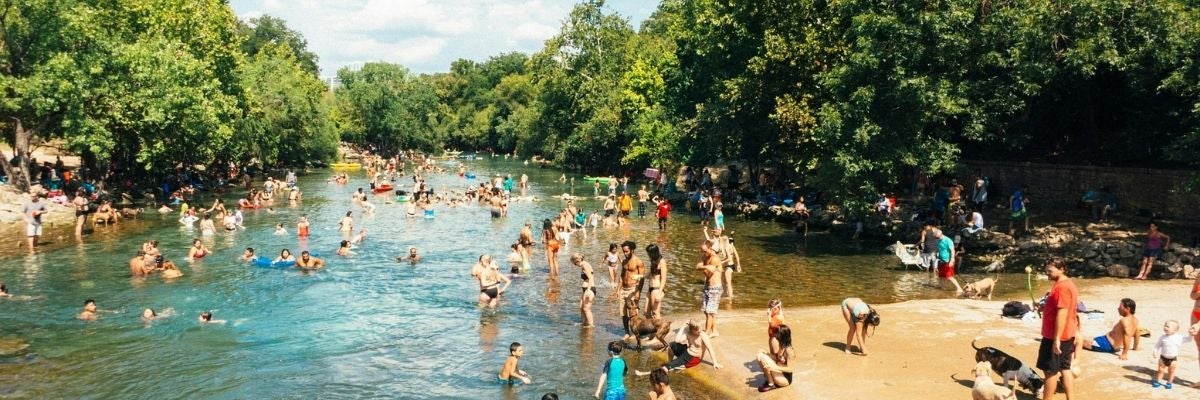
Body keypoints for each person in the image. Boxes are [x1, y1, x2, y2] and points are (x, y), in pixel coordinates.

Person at [1038, 258, 1078, 400]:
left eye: (1050, 270)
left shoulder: (1062, 287)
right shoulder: (1065, 284)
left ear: (1062, 269)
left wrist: (1056, 339)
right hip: (1067, 334)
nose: (1047, 273)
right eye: (1046, 270)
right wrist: (1044, 307)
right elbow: (1060, 308)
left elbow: (1063, 313)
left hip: (1056, 336)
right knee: (1065, 368)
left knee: (1050, 371)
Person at [637, 321, 723, 374]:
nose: (700, 331)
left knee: (667, 367)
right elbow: (678, 340)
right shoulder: (688, 332)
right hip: (687, 352)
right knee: (671, 345)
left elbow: (710, 349)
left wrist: (715, 363)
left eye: (700, 328)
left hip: (693, 358)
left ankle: (646, 373)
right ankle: (671, 363)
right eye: (698, 330)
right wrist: (682, 327)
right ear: (692, 330)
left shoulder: (703, 335)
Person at [1152, 320, 1198, 389]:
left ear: (1175, 330)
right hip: (1163, 358)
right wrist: (1155, 351)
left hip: (1173, 359)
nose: (1165, 328)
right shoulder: (1162, 337)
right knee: (1160, 370)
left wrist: (1191, 335)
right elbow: (1157, 345)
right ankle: (1158, 381)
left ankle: (1169, 383)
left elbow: (1188, 340)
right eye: (1165, 326)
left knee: (1171, 372)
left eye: (1168, 327)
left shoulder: (1178, 338)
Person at [695, 240, 723, 337]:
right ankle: (714, 330)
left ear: (711, 249)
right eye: (702, 251)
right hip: (707, 287)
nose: (703, 253)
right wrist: (705, 267)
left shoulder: (715, 259)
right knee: (706, 310)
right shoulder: (705, 257)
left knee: (709, 312)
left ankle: (706, 333)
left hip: (715, 288)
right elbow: (697, 267)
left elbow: (708, 273)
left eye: (705, 251)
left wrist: (702, 267)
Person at [756, 324, 795, 392]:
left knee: (764, 358)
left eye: (776, 335)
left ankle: (771, 384)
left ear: (782, 336)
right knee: (760, 355)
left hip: (785, 379)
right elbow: (775, 359)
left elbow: (790, 369)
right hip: (778, 373)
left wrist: (774, 368)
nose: (775, 336)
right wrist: (765, 352)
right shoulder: (781, 346)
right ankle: (770, 380)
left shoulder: (789, 351)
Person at [619, 241, 646, 340]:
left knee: (633, 314)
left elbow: (642, 278)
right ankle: (627, 332)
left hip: (633, 289)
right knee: (623, 313)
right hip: (624, 289)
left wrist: (638, 291)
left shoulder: (638, 261)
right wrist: (618, 290)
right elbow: (622, 276)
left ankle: (635, 333)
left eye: (626, 251)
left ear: (632, 250)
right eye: (623, 252)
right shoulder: (624, 261)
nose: (625, 253)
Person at [933, 228, 963, 295]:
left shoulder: (948, 240)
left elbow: (952, 250)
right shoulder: (938, 241)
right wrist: (935, 254)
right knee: (941, 276)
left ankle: (959, 288)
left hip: (948, 261)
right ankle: (942, 288)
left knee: (949, 276)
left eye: (936, 237)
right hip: (941, 261)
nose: (936, 239)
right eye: (935, 237)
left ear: (940, 235)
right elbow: (938, 249)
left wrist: (952, 259)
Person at [573, 254, 596, 328]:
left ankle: (591, 325)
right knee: (581, 307)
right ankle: (584, 322)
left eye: (574, 263)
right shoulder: (583, 265)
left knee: (586, 308)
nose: (575, 265)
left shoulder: (584, 265)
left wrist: (588, 290)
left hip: (589, 289)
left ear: (576, 260)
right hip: (585, 289)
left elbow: (591, 278)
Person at [645, 245, 667, 319]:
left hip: (656, 289)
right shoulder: (653, 261)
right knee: (646, 313)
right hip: (650, 289)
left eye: (648, 253)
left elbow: (664, 278)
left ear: (653, 253)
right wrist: (640, 276)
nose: (648, 255)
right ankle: (651, 329)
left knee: (655, 312)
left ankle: (659, 329)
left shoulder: (662, 262)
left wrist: (660, 293)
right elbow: (651, 274)